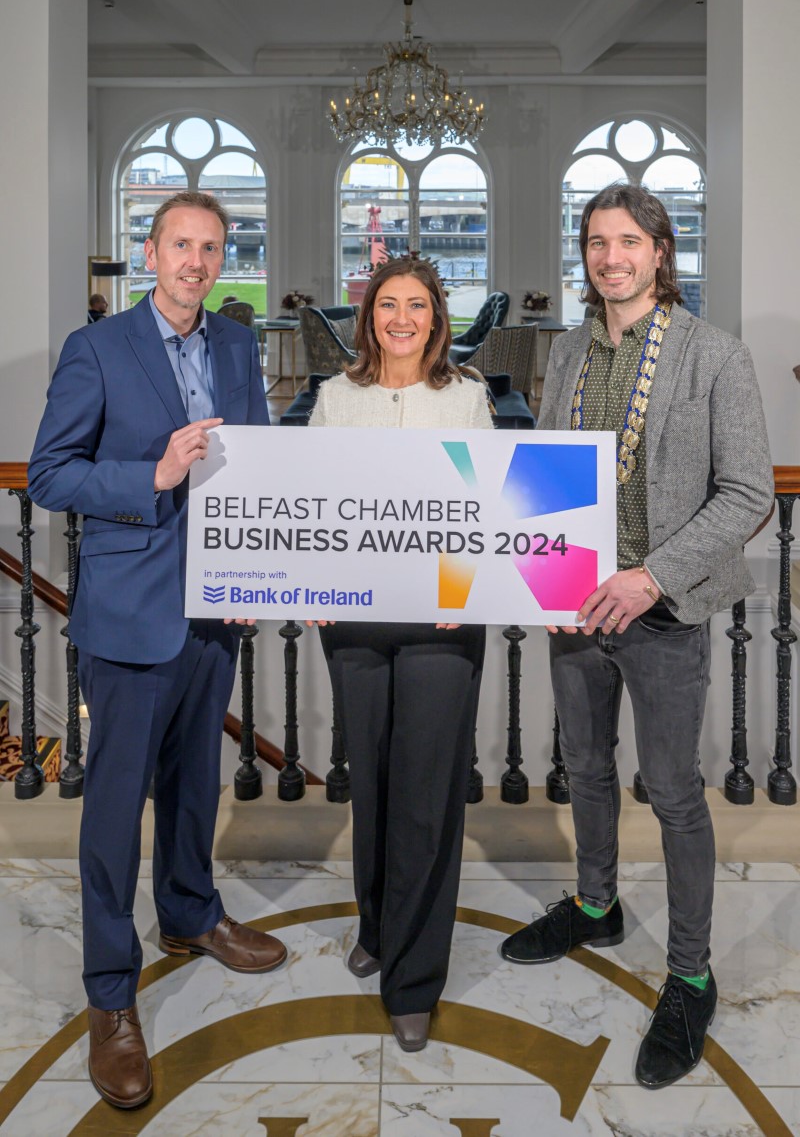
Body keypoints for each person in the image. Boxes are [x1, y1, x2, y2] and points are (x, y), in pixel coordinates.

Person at [500, 184, 773, 1089]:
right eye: (594, 241)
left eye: (627, 241)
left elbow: (748, 493)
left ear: (661, 251)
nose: (609, 257)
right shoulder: (570, 352)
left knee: (672, 791)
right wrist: (533, 571)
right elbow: (543, 470)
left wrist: (649, 574)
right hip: (577, 605)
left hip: (662, 609)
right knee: (582, 766)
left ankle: (690, 974)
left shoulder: (716, 357)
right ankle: (596, 903)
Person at [28, 191, 286, 1110]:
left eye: (211, 247)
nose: (196, 261)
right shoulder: (96, 349)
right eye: (181, 244)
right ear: (151, 250)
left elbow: (253, 465)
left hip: (213, 610)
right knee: (112, 810)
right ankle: (110, 993)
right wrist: (155, 474)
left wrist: (258, 575)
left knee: (192, 783)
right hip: (130, 610)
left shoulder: (233, 346)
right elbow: (52, 471)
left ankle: (190, 914)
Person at [309, 255, 493, 1053]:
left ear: (437, 317)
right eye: (389, 304)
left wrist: (466, 591)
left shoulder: (468, 396)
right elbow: (306, 504)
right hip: (354, 621)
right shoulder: (333, 398)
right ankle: (379, 926)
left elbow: (487, 509)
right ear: (369, 315)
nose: (402, 318)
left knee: (425, 794)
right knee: (374, 786)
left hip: (442, 623)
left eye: (418, 304)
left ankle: (413, 978)